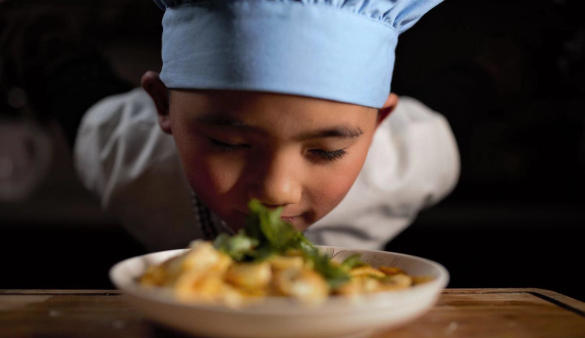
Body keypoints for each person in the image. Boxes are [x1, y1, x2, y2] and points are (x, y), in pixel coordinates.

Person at [2, 0, 459, 252]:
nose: (277, 192)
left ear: (379, 122)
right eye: (228, 142)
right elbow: (62, 73)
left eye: (326, 150)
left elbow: (468, 97)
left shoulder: (415, 155)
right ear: (162, 105)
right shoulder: (124, 155)